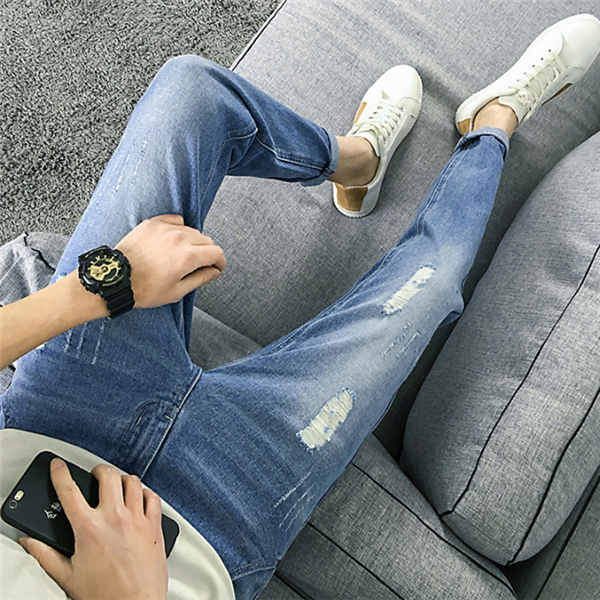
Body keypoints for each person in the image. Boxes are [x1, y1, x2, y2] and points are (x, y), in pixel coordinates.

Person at [1, 13, 599, 600]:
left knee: (193, 93)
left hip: (47, 428)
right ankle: (492, 125)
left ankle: (357, 162)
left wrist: (100, 286)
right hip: (207, 534)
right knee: (431, 285)